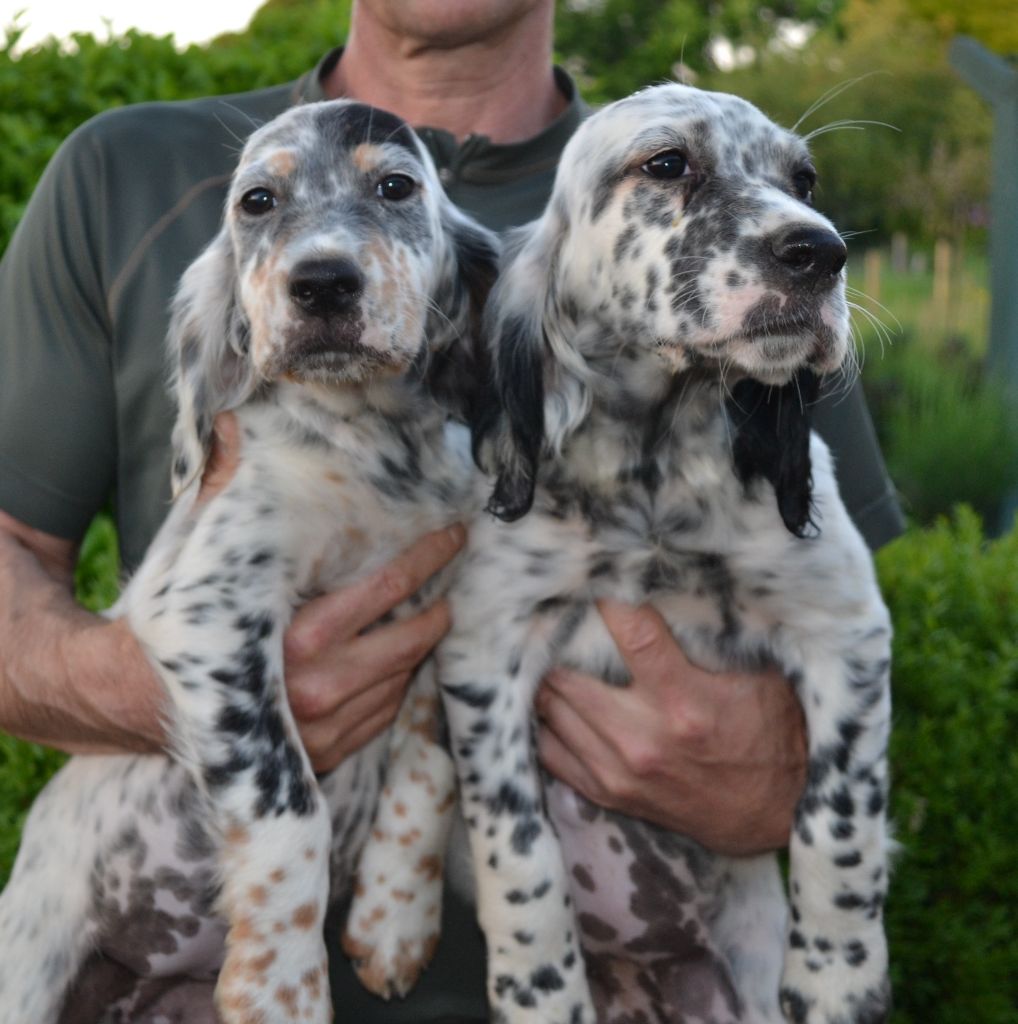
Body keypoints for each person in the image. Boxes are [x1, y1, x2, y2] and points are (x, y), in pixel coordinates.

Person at [0, 1, 904, 1020]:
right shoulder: (125, 175)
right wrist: (139, 681)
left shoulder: (737, 239)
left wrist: (776, 776)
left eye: (394, 193)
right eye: (264, 206)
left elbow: (842, 632)